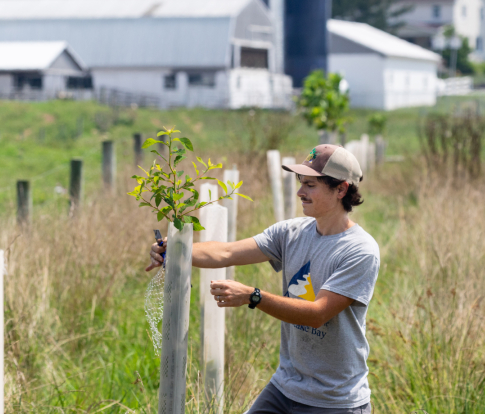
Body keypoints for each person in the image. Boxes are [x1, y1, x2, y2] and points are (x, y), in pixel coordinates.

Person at [147, 144, 380, 414]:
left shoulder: (360, 250)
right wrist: (176, 250)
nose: (300, 192)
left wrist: (252, 296)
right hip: (285, 387)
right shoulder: (290, 232)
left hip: (334, 400)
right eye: (300, 182)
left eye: (311, 185)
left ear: (341, 189)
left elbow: (318, 314)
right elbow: (225, 252)